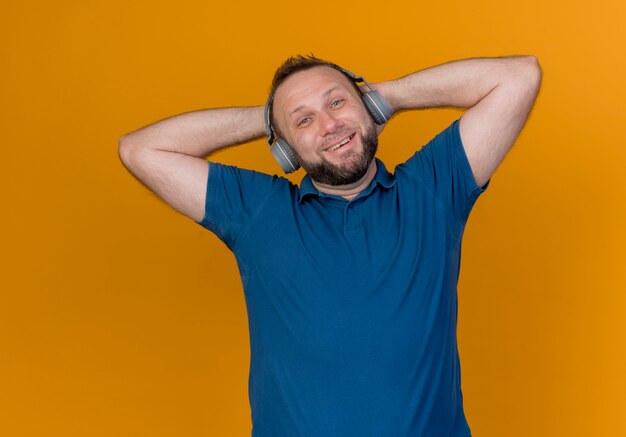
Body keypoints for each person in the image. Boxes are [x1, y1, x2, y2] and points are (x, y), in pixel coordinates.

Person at [118, 54, 542, 436]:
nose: (329, 125)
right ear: (284, 149)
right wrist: (269, 119)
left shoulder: (433, 189)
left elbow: (518, 76)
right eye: (303, 121)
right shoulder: (259, 211)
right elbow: (140, 149)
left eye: (337, 103)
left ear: (368, 108)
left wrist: (385, 96)